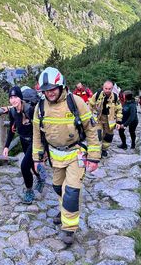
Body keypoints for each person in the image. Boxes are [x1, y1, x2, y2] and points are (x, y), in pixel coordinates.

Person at [32, 67, 101, 245]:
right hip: (55, 156)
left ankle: (69, 228)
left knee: (71, 191)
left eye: (53, 88)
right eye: (46, 90)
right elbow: (37, 135)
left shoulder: (76, 102)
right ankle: (64, 211)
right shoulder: (40, 107)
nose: (50, 92)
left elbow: (91, 129)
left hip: (75, 154)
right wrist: (36, 159)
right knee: (57, 187)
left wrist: (93, 157)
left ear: (62, 86)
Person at [2, 86, 46, 204]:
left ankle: (29, 191)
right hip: (23, 140)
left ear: (20, 98)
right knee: (31, 165)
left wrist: (43, 148)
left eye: (15, 97)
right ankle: (41, 178)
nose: (13, 100)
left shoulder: (30, 110)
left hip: (34, 141)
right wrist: (6, 146)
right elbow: (12, 129)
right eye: (11, 97)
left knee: (24, 166)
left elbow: (40, 129)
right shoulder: (12, 111)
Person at [88, 80, 122, 157]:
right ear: (103, 88)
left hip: (110, 120)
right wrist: (89, 117)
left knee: (108, 137)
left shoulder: (115, 97)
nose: (107, 90)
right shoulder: (97, 95)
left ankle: (104, 149)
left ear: (112, 88)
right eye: (106, 88)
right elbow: (90, 105)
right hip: (98, 119)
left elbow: (119, 109)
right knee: (98, 135)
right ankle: (96, 152)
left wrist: (119, 121)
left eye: (109, 89)